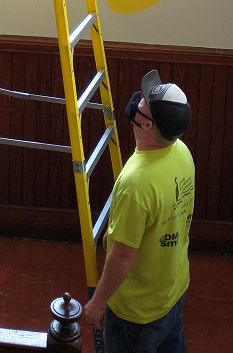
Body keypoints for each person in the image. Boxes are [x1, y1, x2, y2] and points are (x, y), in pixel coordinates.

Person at [83, 70, 195, 353]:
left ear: (146, 125)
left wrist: (97, 305)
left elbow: (121, 255)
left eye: (145, 102)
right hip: (172, 290)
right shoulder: (181, 151)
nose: (139, 99)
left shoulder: (136, 183)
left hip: (136, 311)